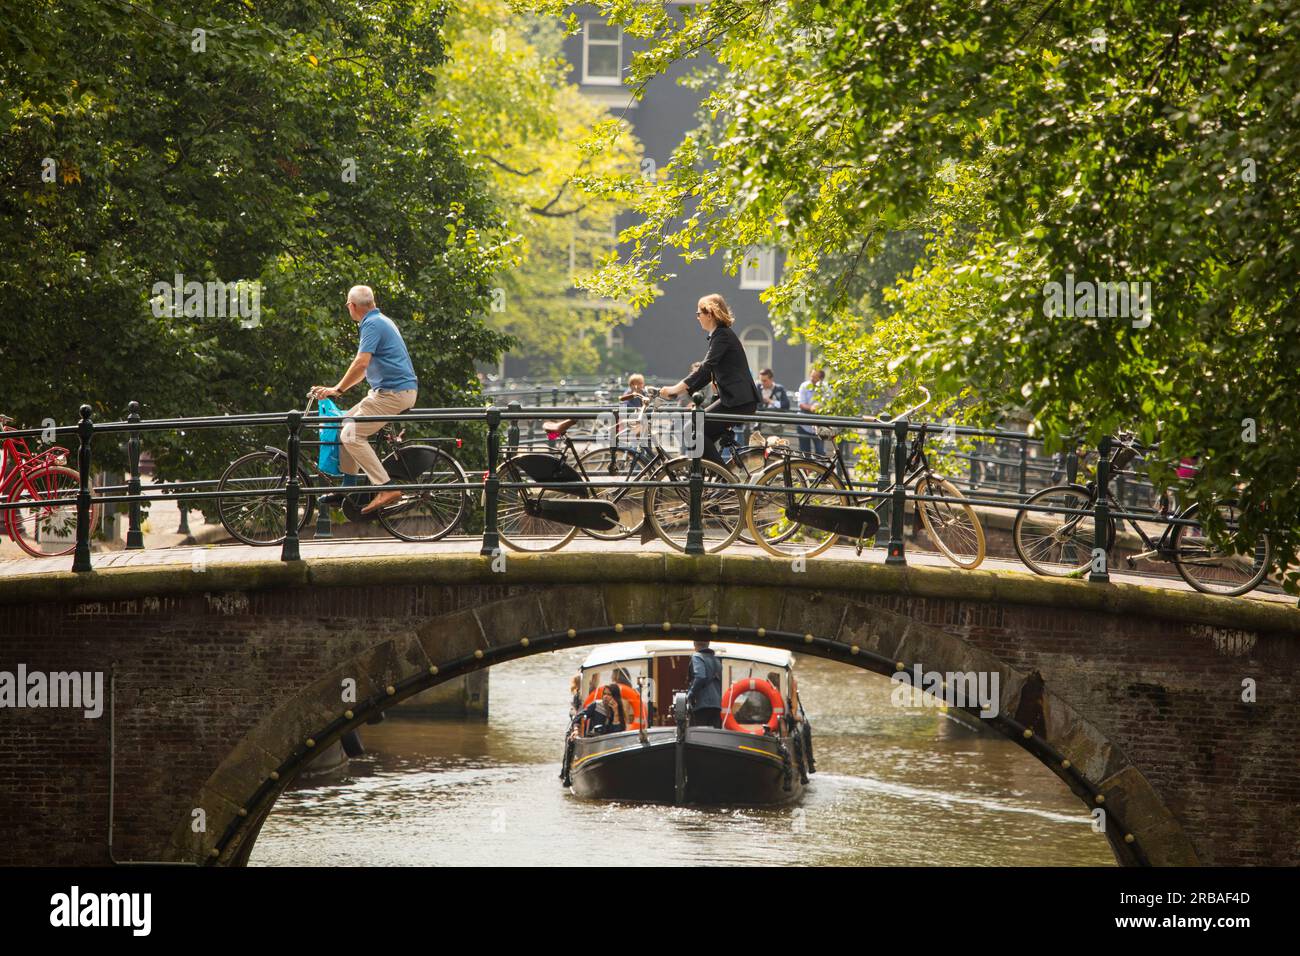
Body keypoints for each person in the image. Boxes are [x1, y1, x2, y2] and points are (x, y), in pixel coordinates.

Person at [311, 285, 419, 515]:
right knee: (346, 421)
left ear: (351, 306)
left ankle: (386, 487)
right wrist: (335, 390)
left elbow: (360, 363)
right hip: (392, 391)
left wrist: (337, 389)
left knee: (350, 434)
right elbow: (363, 370)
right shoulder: (381, 320)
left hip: (393, 393)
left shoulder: (371, 324)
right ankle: (347, 489)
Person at [659, 294, 762, 469]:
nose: (697, 317)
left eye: (699, 313)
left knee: (691, 431)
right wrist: (681, 392)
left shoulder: (722, 335)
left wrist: (675, 389)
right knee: (696, 436)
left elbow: (705, 367)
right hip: (735, 400)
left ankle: (725, 483)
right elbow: (707, 374)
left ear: (710, 314)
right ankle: (710, 480)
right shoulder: (720, 336)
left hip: (737, 401)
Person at [687, 640, 723, 728]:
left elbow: (700, 677)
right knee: (714, 736)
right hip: (716, 706)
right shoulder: (717, 660)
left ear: (694, 644)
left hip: (701, 705)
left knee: (697, 737)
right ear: (708, 644)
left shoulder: (697, 656)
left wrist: (690, 695)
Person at [796, 368, 826, 457]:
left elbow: (828, 404)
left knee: (820, 453)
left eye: (815, 377)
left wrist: (820, 407)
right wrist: (812, 408)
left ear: (821, 379)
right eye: (811, 376)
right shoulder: (804, 386)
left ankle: (819, 470)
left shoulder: (825, 388)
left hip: (819, 425)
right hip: (803, 424)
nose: (812, 379)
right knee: (805, 453)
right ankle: (806, 471)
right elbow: (801, 404)